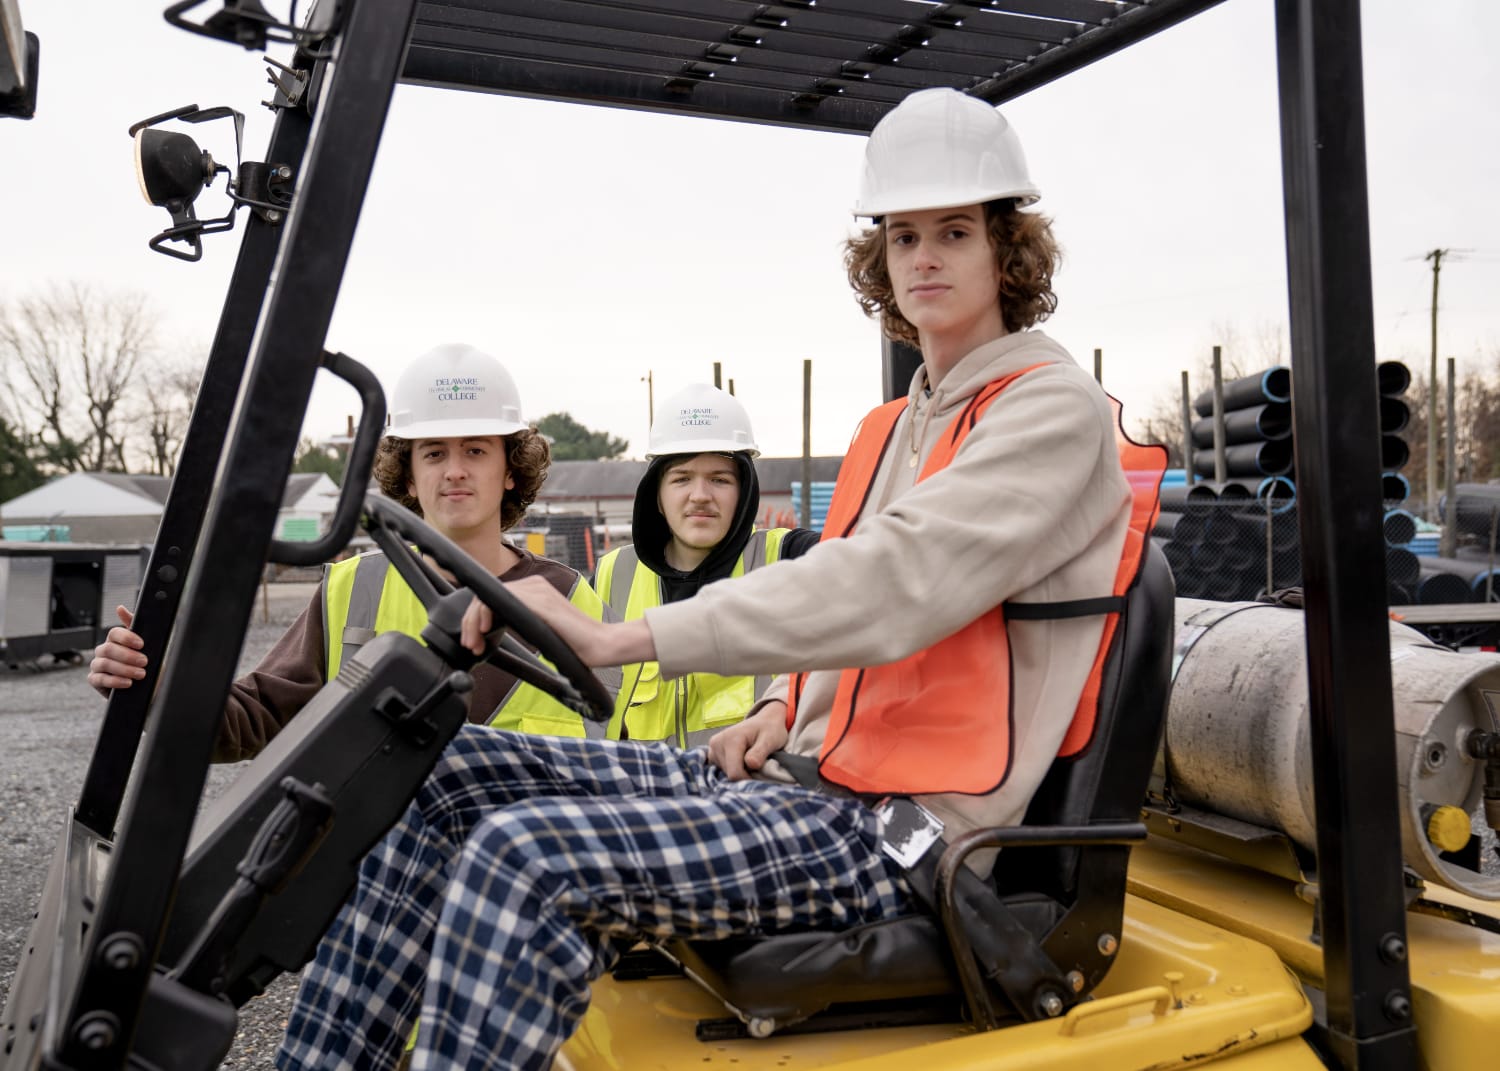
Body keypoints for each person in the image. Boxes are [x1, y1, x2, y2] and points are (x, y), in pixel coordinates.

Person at [277, 87, 1151, 1071]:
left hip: (899, 827)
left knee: (524, 858)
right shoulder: (903, 423)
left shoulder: (1047, 414)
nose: (926, 258)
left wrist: (618, 637)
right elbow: (855, 602)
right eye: (904, 237)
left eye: (956, 231)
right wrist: (784, 701)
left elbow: (897, 582)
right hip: (808, 777)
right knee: (443, 771)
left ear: (1009, 251)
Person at [87, 343, 615, 757]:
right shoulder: (352, 588)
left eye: (476, 450)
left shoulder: (569, 598)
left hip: (516, 884)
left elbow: (617, 756)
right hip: (370, 886)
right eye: (433, 453)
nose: (454, 470)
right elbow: (256, 719)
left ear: (509, 471)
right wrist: (157, 688)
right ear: (408, 476)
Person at [593, 381, 817, 745]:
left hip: (756, 794)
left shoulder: (789, 558)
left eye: (719, 479)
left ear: (744, 493)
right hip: (646, 795)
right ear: (658, 497)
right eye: (682, 479)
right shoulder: (610, 577)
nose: (700, 496)